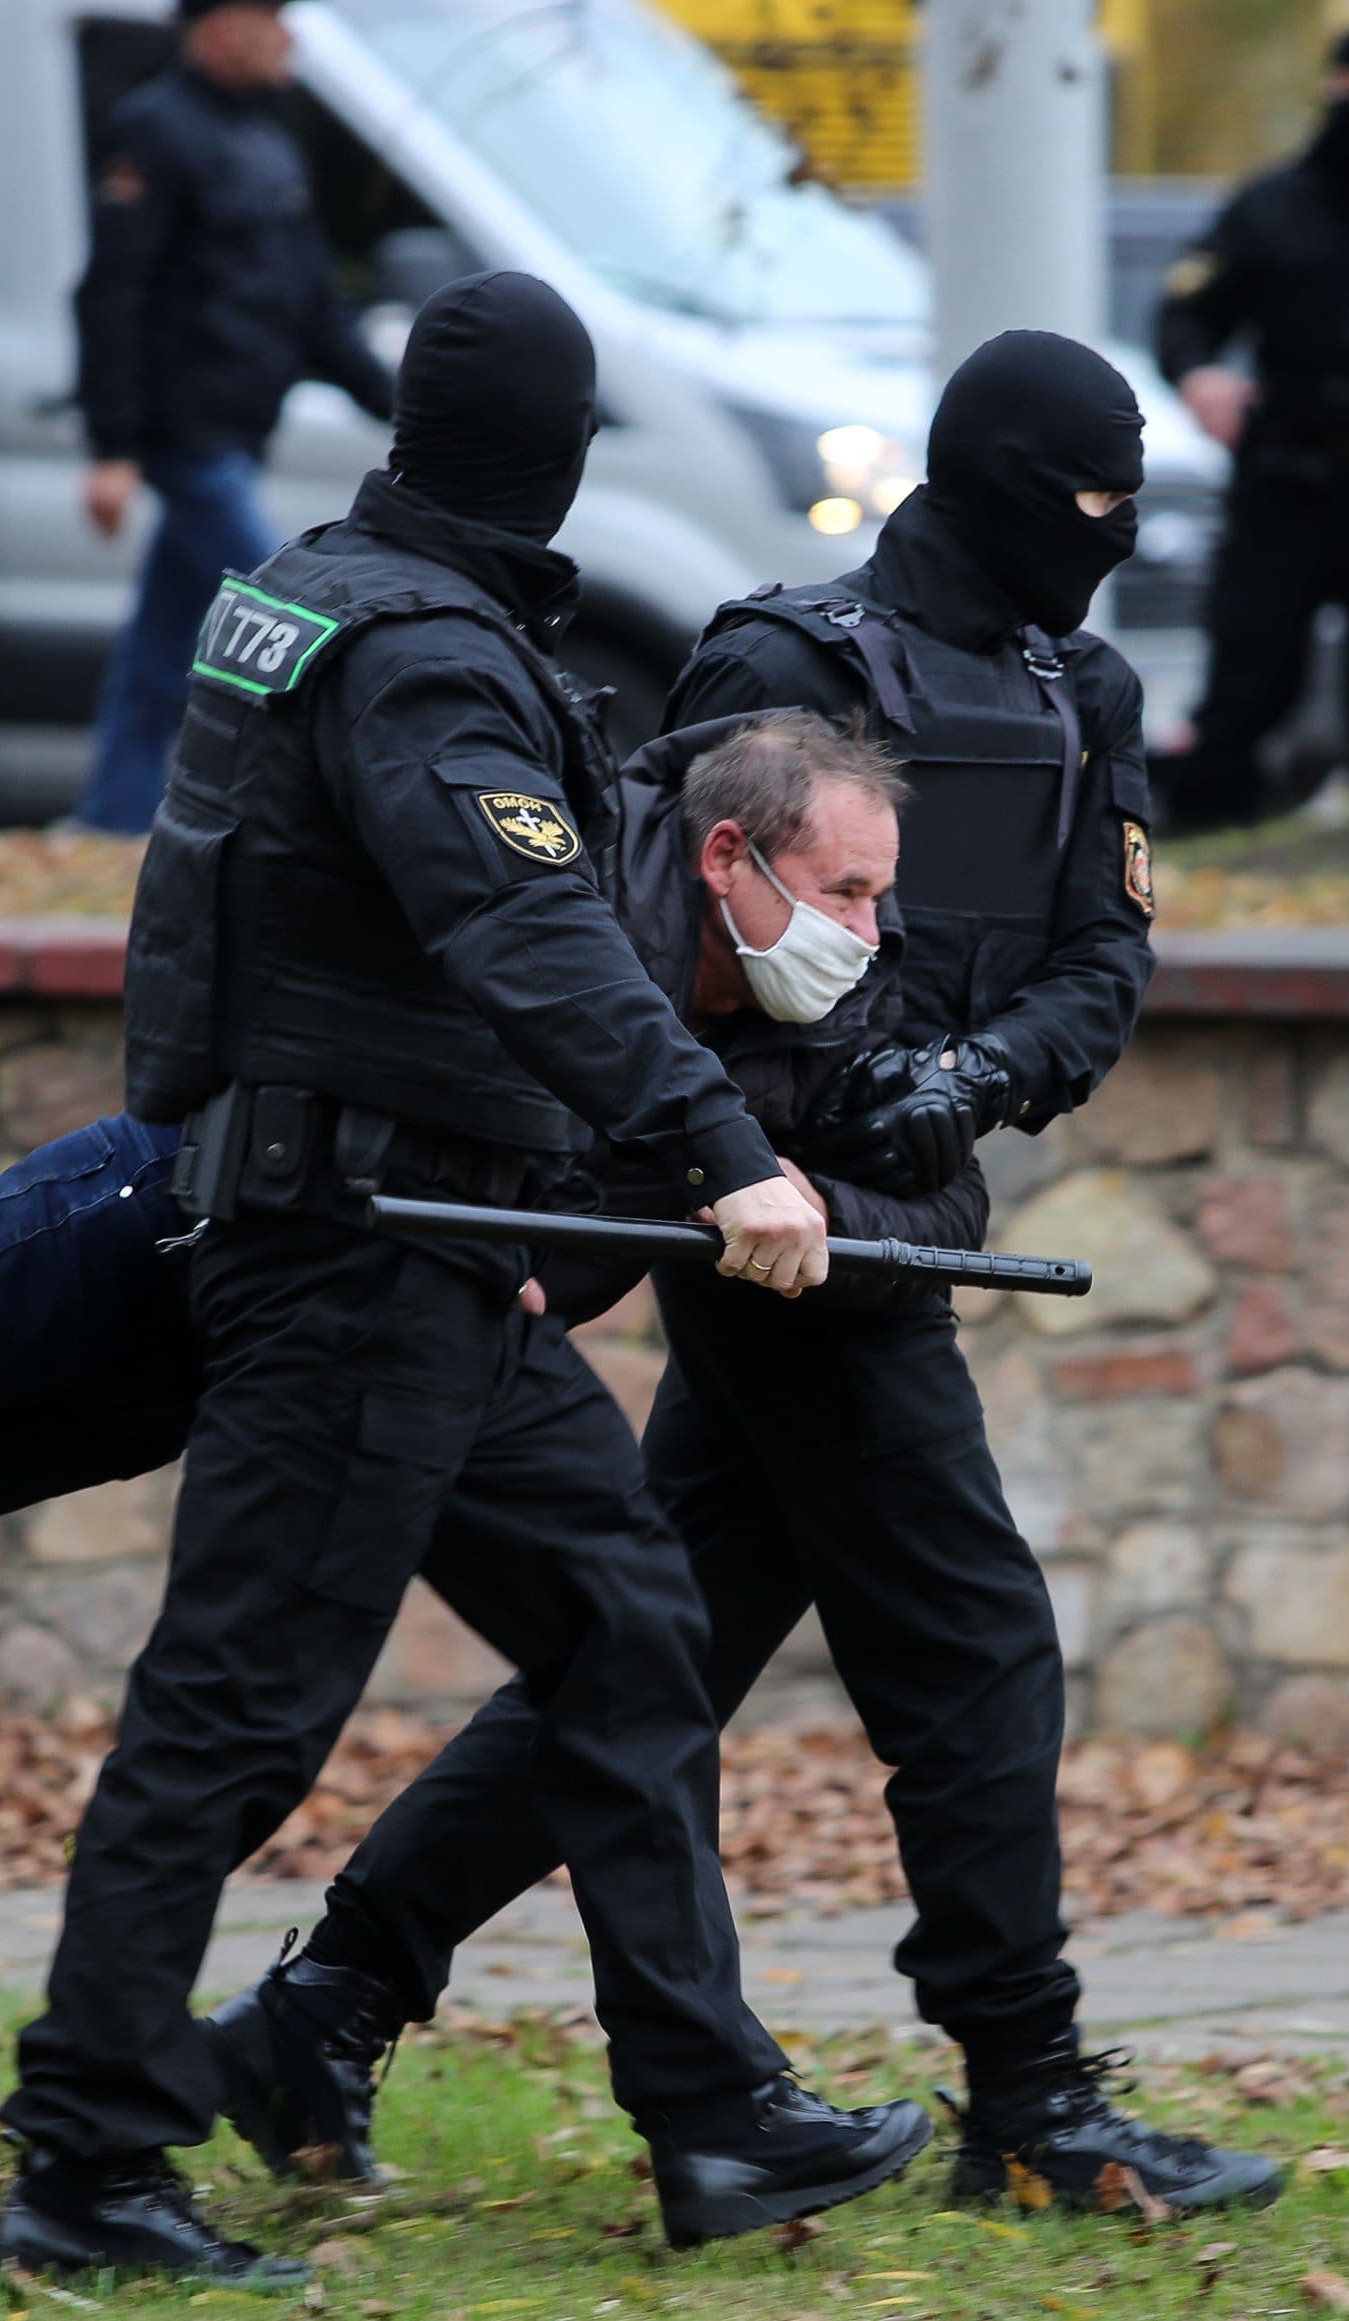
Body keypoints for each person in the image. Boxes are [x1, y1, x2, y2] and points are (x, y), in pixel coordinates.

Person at [207, 329, 1284, 2224]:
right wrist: (767, 1143)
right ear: (1003, 482)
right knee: (975, 1648)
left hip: (901, 1206)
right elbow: (658, 940)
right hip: (767, 1218)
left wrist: (960, 1079)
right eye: (1090, 500)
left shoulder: (1078, 684)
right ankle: (1028, 2099)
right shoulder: (782, 658)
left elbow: (1103, 959)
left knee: (659, 1646)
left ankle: (333, 1996)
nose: (1109, 537)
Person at [0, 269, 924, 2286]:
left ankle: (711, 2116)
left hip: (432, 1242)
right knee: (236, 1710)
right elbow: (530, 942)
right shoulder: (417, 648)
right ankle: (83, 2159)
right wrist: (725, 1149)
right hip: (353, 1247)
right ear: (554, 454)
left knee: (627, 1632)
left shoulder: (340, 589)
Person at [66, 0, 400, 833]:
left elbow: (311, 302)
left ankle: (109, 820)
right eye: (271, 19)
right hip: (187, 435)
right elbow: (113, 294)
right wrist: (112, 447)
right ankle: (366, 811)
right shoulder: (155, 129)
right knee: (293, 613)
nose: (289, 37)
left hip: (240, 433)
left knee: (160, 650)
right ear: (220, 30)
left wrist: (405, 408)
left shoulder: (266, 138)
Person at [1147, 19, 1349, 828]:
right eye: (1343, 84)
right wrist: (1201, 375)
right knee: (1249, 664)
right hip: (1285, 473)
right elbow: (1187, 310)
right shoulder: (1273, 205)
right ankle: (1216, 820)